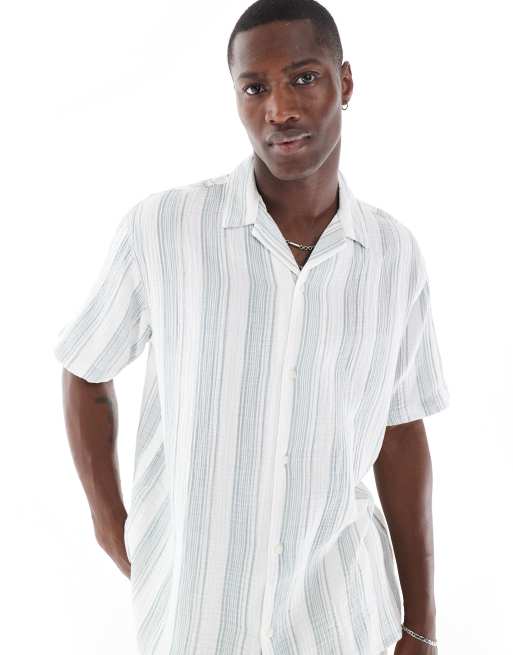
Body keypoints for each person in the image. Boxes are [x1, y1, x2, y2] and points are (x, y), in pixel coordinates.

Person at [53, 1, 449, 653]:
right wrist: (112, 526)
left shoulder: (391, 254)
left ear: (345, 82)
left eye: (302, 78)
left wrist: (422, 625)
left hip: (340, 621)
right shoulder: (165, 229)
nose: (279, 109)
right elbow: (86, 367)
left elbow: (401, 432)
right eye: (254, 87)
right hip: (197, 622)